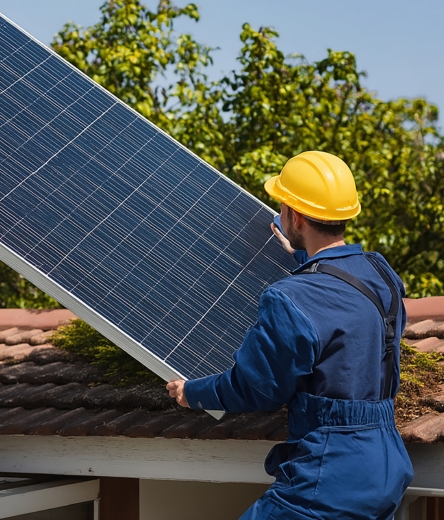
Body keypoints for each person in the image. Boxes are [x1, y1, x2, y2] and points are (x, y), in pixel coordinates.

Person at [166, 151, 413, 520]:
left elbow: (257, 387)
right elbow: (343, 303)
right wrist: (306, 259)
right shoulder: (382, 274)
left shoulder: (291, 298)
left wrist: (193, 392)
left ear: (294, 216)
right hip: (386, 464)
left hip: (329, 477)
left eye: (283, 207)